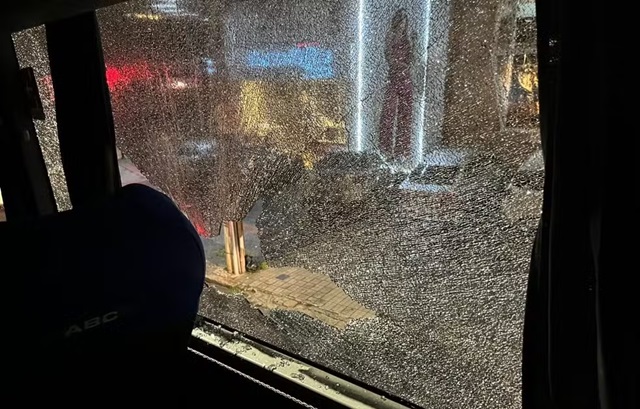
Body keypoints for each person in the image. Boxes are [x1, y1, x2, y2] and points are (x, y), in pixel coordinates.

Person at [379, 9, 415, 162]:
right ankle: (386, 151)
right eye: (401, 23)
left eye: (404, 24)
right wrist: (400, 65)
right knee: (388, 115)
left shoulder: (408, 39)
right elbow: (389, 57)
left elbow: (413, 59)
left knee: (405, 117)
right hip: (394, 79)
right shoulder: (391, 37)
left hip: (405, 79)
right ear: (396, 23)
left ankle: (402, 152)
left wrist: (415, 44)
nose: (402, 26)